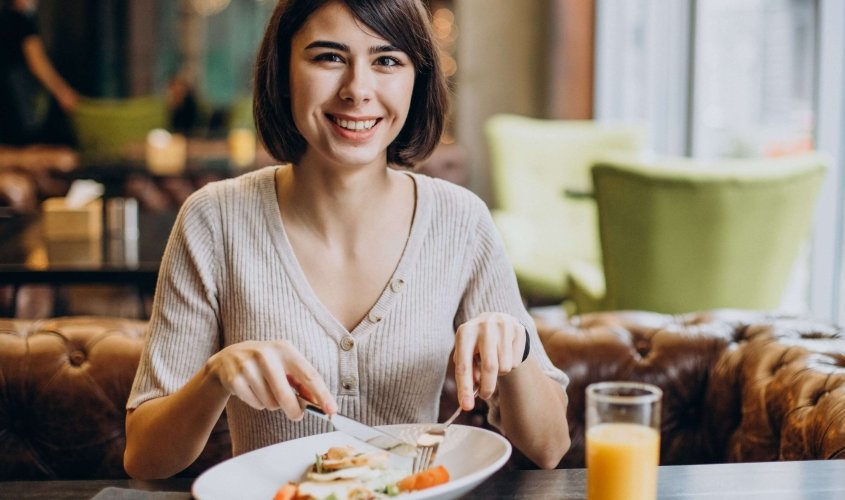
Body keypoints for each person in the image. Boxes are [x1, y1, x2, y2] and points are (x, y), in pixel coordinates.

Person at [124, 0, 571, 479]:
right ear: (283, 71)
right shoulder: (213, 220)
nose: (358, 89)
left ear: (416, 79)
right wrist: (216, 378)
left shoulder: (460, 221)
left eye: (387, 61)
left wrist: (517, 347)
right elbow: (145, 459)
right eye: (329, 57)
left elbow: (549, 448)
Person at [0, 0, 80, 145]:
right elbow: (37, 63)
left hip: (9, 96)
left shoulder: (5, 18)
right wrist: (62, 92)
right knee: (24, 144)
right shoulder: (20, 21)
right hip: (18, 96)